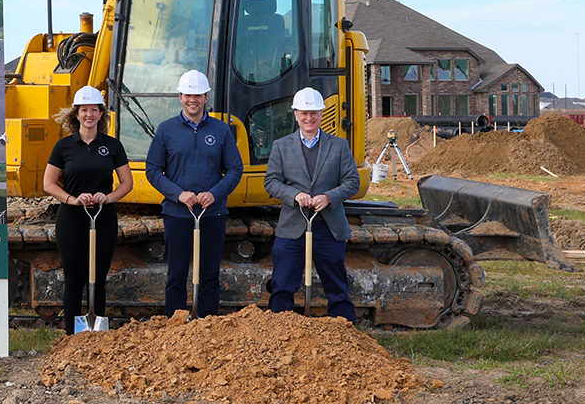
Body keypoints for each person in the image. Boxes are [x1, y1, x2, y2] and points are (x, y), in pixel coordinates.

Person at [145, 69, 242, 318]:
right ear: (180, 97)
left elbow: (234, 169)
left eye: (198, 95)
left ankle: (206, 324)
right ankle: (175, 325)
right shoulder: (166, 131)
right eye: (188, 95)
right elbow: (153, 170)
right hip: (177, 214)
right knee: (176, 273)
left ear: (206, 97)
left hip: (213, 213)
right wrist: (178, 195)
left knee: (210, 273)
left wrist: (214, 194)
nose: (193, 100)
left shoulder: (221, 131)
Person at [263, 87, 360, 321]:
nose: (309, 118)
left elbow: (352, 182)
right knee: (283, 284)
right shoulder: (281, 146)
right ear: (295, 114)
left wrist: (329, 197)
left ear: (321, 114)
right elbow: (271, 182)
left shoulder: (338, 146)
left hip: (329, 226)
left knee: (336, 285)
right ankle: (281, 329)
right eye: (304, 113)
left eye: (314, 113)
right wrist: (294, 195)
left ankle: (343, 331)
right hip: (293, 226)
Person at [43, 85, 133, 334]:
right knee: (74, 279)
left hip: (103, 217)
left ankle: (97, 334)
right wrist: (72, 199)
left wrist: (108, 197)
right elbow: (48, 184)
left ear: (101, 114)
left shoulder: (112, 146)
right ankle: (72, 334)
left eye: (94, 110)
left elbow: (127, 183)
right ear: (76, 114)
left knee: (98, 279)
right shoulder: (64, 147)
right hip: (72, 218)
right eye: (84, 110)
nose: (89, 114)